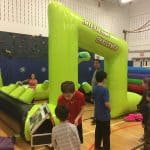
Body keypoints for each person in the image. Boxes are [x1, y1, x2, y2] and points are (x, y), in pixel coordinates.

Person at [93, 71, 111, 150]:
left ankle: (97, 147)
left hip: (97, 115)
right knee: (106, 134)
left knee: (98, 133)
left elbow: (92, 99)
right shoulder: (105, 89)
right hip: (105, 116)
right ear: (104, 79)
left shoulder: (94, 88)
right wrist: (110, 108)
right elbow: (106, 103)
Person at [91, 59, 101, 124]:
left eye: (97, 63)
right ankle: (95, 116)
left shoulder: (99, 72)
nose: (95, 64)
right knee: (95, 105)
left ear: (99, 64)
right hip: (94, 90)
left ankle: (96, 118)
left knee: (98, 106)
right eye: (94, 63)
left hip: (97, 92)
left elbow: (98, 83)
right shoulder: (95, 71)